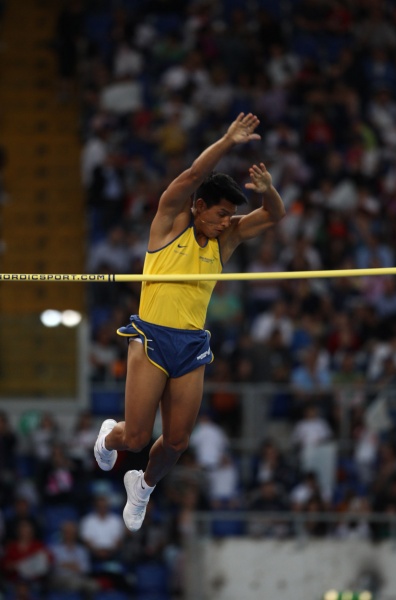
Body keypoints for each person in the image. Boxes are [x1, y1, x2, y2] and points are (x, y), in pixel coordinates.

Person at [94, 112, 286, 532]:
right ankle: (108, 437)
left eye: (230, 215)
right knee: (136, 438)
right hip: (151, 336)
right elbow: (194, 174)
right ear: (199, 206)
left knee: (177, 441)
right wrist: (228, 141)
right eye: (220, 213)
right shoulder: (168, 223)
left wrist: (269, 191)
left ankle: (142, 486)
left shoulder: (226, 238)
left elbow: (274, 216)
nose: (225, 222)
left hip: (191, 344)